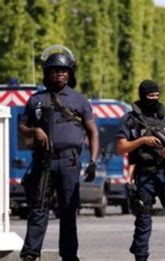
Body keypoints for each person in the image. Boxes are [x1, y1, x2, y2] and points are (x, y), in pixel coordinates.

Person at [19, 46, 99, 261]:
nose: (60, 74)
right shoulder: (35, 100)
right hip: (43, 161)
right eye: (56, 71)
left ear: (70, 74)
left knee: (68, 211)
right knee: (38, 209)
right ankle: (30, 255)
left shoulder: (79, 100)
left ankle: (69, 255)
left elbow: (92, 131)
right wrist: (34, 130)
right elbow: (22, 128)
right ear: (47, 74)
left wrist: (92, 161)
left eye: (64, 71)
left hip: (69, 162)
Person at [116, 80, 165, 261]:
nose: (154, 100)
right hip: (145, 174)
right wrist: (142, 141)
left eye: (156, 97)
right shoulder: (130, 119)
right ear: (142, 96)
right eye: (150, 97)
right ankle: (141, 256)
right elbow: (121, 147)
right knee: (143, 220)